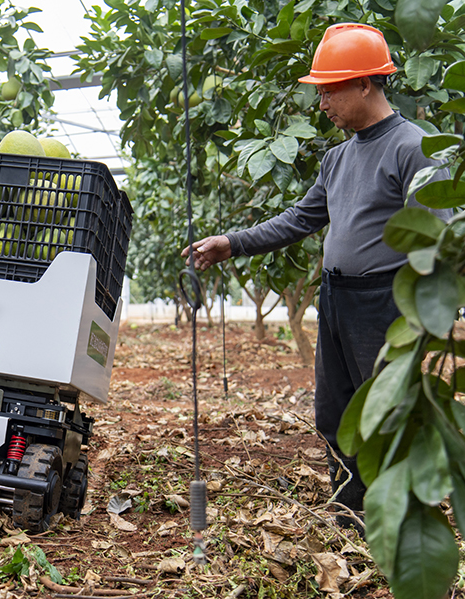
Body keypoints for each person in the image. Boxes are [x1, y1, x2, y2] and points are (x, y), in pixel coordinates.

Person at [181, 23, 453, 529]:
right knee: (336, 413)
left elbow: (440, 237)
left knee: (386, 415)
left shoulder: (412, 147)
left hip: (385, 304)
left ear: (364, 84)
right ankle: (351, 518)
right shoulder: (337, 157)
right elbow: (300, 219)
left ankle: (397, 523)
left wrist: (440, 315)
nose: (322, 103)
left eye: (328, 90)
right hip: (338, 298)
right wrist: (232, 242)